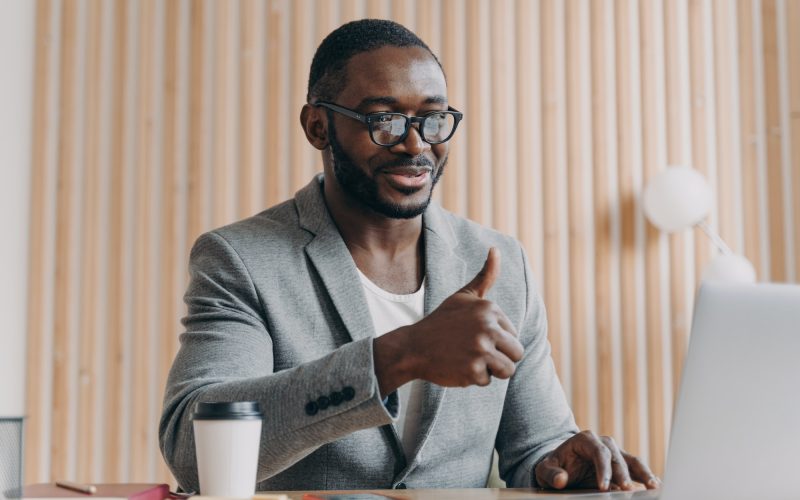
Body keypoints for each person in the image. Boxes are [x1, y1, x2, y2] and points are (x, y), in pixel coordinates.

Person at [159, 19, 660, 493]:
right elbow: (194, 448)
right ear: (317, 127)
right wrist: (401, 355)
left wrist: (561, 466)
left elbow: (535, 448)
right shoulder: (242, 258)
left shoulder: (498, 262)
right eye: (384, 120)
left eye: (433, 118)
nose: (415, 144)